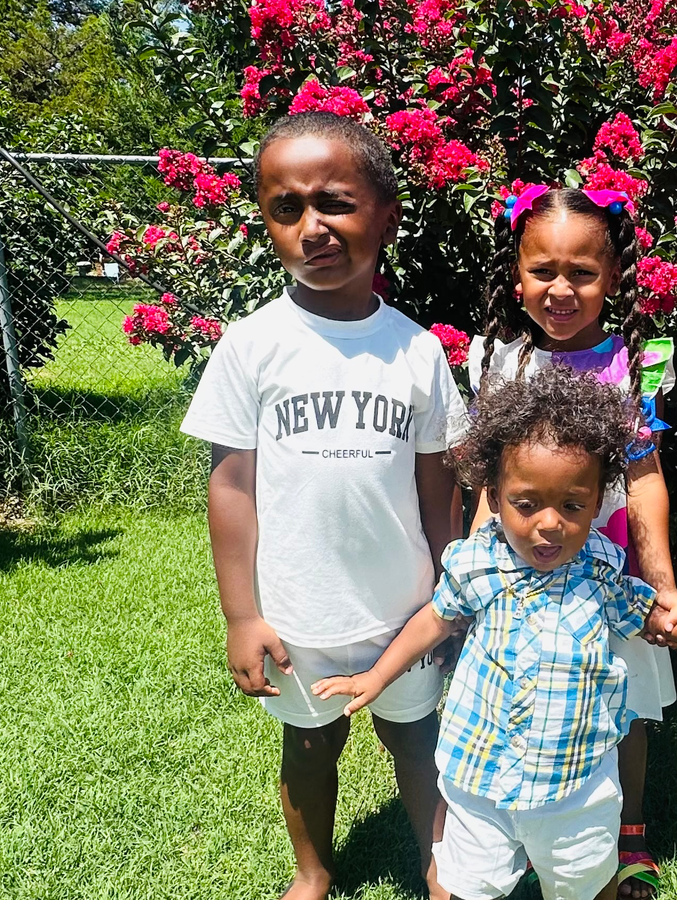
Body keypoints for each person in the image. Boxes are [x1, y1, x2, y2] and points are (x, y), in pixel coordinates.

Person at [310, 367, 677, 900]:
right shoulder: (477, 563)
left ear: (596, 502)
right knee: (468, 885)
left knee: (587, 881)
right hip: (481, 778)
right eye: (526, 503)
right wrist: (377, 677)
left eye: (572, 505)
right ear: (495, 497)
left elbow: (645, 615)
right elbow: (435, 618)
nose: (550, 523)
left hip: (577, 783)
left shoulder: (601, 567)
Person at [180, 111, 466, 900]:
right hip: (298, 612)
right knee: (309, 748)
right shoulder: (252, 345)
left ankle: (438, 864)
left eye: (335, 202)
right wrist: (242, 615)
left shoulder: (417, 352)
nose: (313, 226)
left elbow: (439, 488)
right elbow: (231, 487)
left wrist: (452, 595)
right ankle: (313, 871)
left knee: (416, 740)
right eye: (287, 207)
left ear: (387, 217)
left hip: (404, 610)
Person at [466, 184, 677, 899]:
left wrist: (660, 582)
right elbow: (489, 484)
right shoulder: (501, 361)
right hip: (520, 572)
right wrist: (471, 569)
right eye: (543, 271)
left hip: (609, 570)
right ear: (517, 274)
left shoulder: (636, 365)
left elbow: (645, 479)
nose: (561, 289)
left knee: (624, 700)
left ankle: (629, 829)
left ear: (612, 275)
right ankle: (534, 823)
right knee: (526, 689)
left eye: (582, 273)